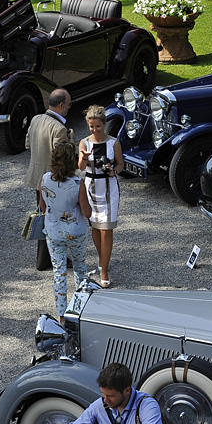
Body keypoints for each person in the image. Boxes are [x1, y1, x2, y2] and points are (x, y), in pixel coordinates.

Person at [40, 141, 91, 317]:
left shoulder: (45, 179)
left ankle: (61, 314)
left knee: (59, 272)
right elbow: (86, 212)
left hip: (54, 232)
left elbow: (43, 207)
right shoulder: (78, 183)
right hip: (76, 232)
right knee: (79, 268)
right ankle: (80, 310)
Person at [27, 89, 73, 270]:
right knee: (55, 221)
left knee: (44, 217)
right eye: (68, 105)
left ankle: (44, 258)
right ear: (61, 105)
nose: (69, 107)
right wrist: (72, 142)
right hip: (53, 183)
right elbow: (61, 159)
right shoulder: (60, 129)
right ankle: (49, 259)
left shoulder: (35, 119)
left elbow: (27, 144)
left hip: (36, 177)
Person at [79, 105, 123, 287]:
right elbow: (80, 168)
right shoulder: (84, 143)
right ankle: (102, 259)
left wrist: (113, 171)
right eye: (91, 126)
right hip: (91, 186)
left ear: (104, 124)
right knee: (96, 228)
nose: (94, 130)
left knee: (107, 230)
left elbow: (121, 164)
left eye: (97, 126)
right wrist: (84, 157)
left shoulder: (114, 143)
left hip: (109, 188)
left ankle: (104, 269)